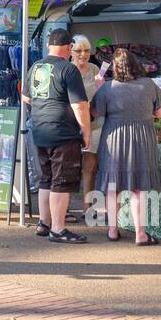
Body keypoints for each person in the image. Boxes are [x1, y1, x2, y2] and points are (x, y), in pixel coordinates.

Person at [23, 28, 91, 244]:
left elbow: (25, 97)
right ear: (69, 47)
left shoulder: (35, 66)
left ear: (48, 46)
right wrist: (86, 132)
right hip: (63, 132)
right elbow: (80, 106)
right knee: (61, 182)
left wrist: (43, 106)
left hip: (40, 130)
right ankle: (58, 229)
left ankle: (44, 223)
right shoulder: (69, 70)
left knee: (46, 179)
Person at [92, 49, 161, 244]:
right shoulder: (149, 85)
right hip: (142, 138)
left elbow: (95, 113)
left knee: (112, 187)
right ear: (136, 64)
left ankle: (112, 230)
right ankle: (140, 234)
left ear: (115, 67)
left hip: (113, 139)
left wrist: (98, 87)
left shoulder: (108, 88)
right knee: (138, 188)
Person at [69, 35, 105, 222]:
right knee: (69, 167)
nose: (83, 54)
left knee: (90, 167)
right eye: (79, 51)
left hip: (94, 125)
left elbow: (100, 98)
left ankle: (87, 207)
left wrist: (101, 88)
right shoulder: (67, 70)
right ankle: (64, 208)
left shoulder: (95, 69)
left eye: (86, 51)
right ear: (71, 52)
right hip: (72, 126)